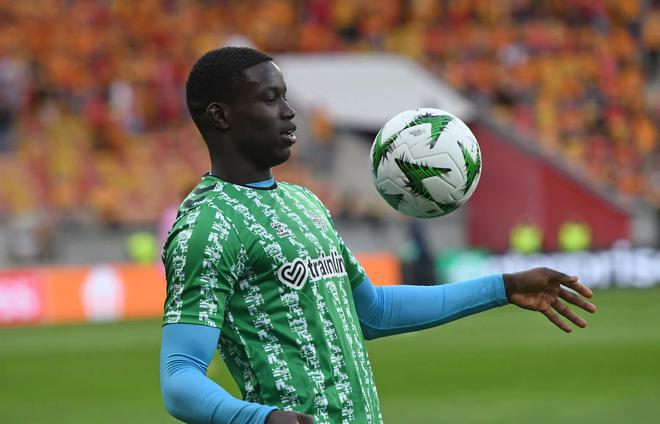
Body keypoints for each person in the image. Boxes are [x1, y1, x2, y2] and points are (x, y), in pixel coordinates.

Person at [160, 47, 597, 424]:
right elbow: (180, 377)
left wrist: (503, 287)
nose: (289, 112)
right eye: (270, 98)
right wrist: (261, 418)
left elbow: (372, 310)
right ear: (221, 116)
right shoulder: (208, 226)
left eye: (286, 97)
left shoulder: (303, 202)